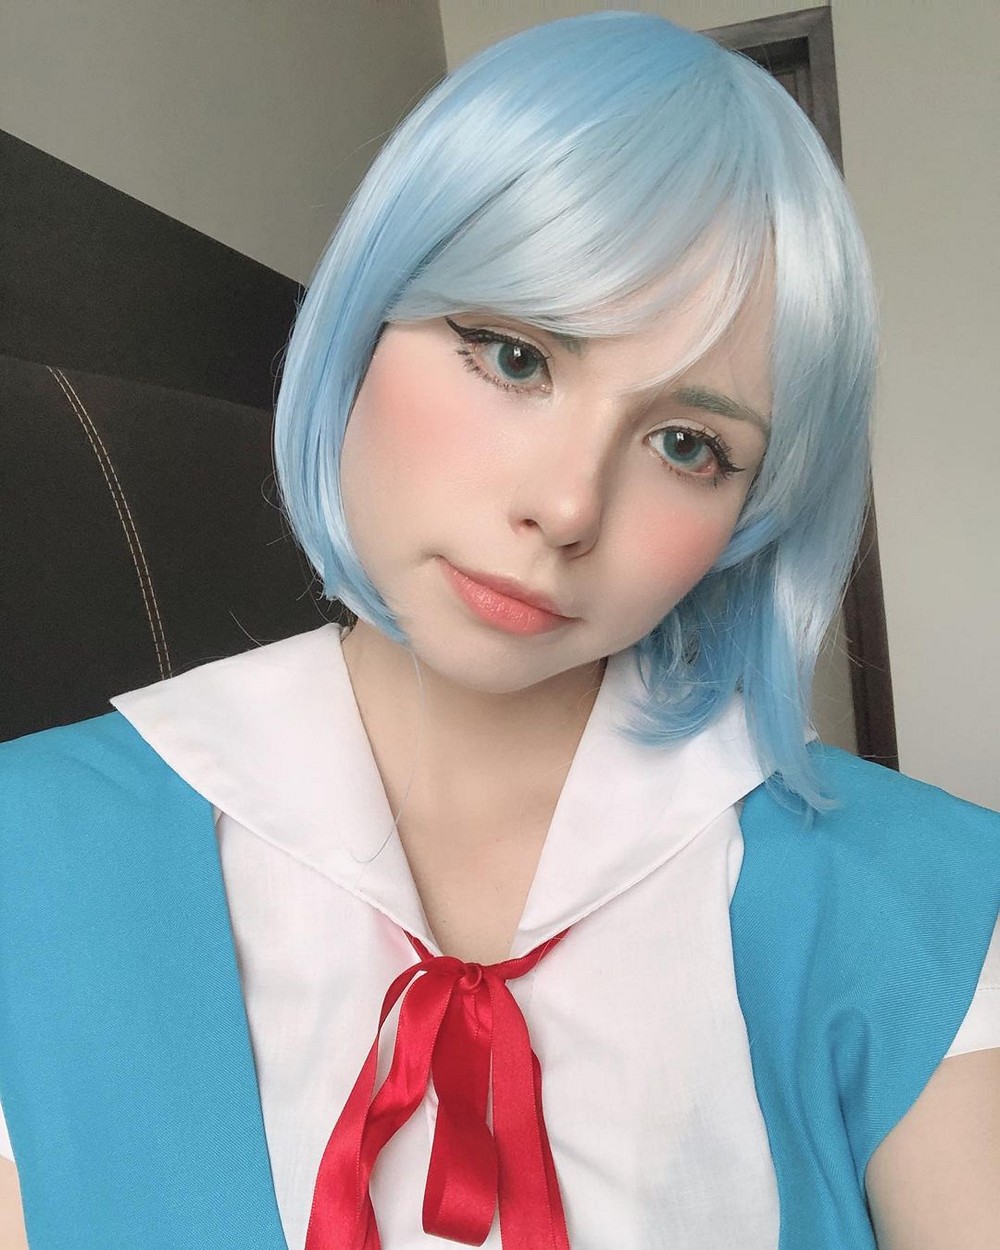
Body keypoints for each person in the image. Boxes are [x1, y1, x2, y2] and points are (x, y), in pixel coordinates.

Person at [1, 10, 997, 1250]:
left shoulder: (930, 902)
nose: (567, 506)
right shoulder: (30, 857)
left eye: (686, 443)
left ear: (751, 514)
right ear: (366, 318)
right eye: (515, 357)